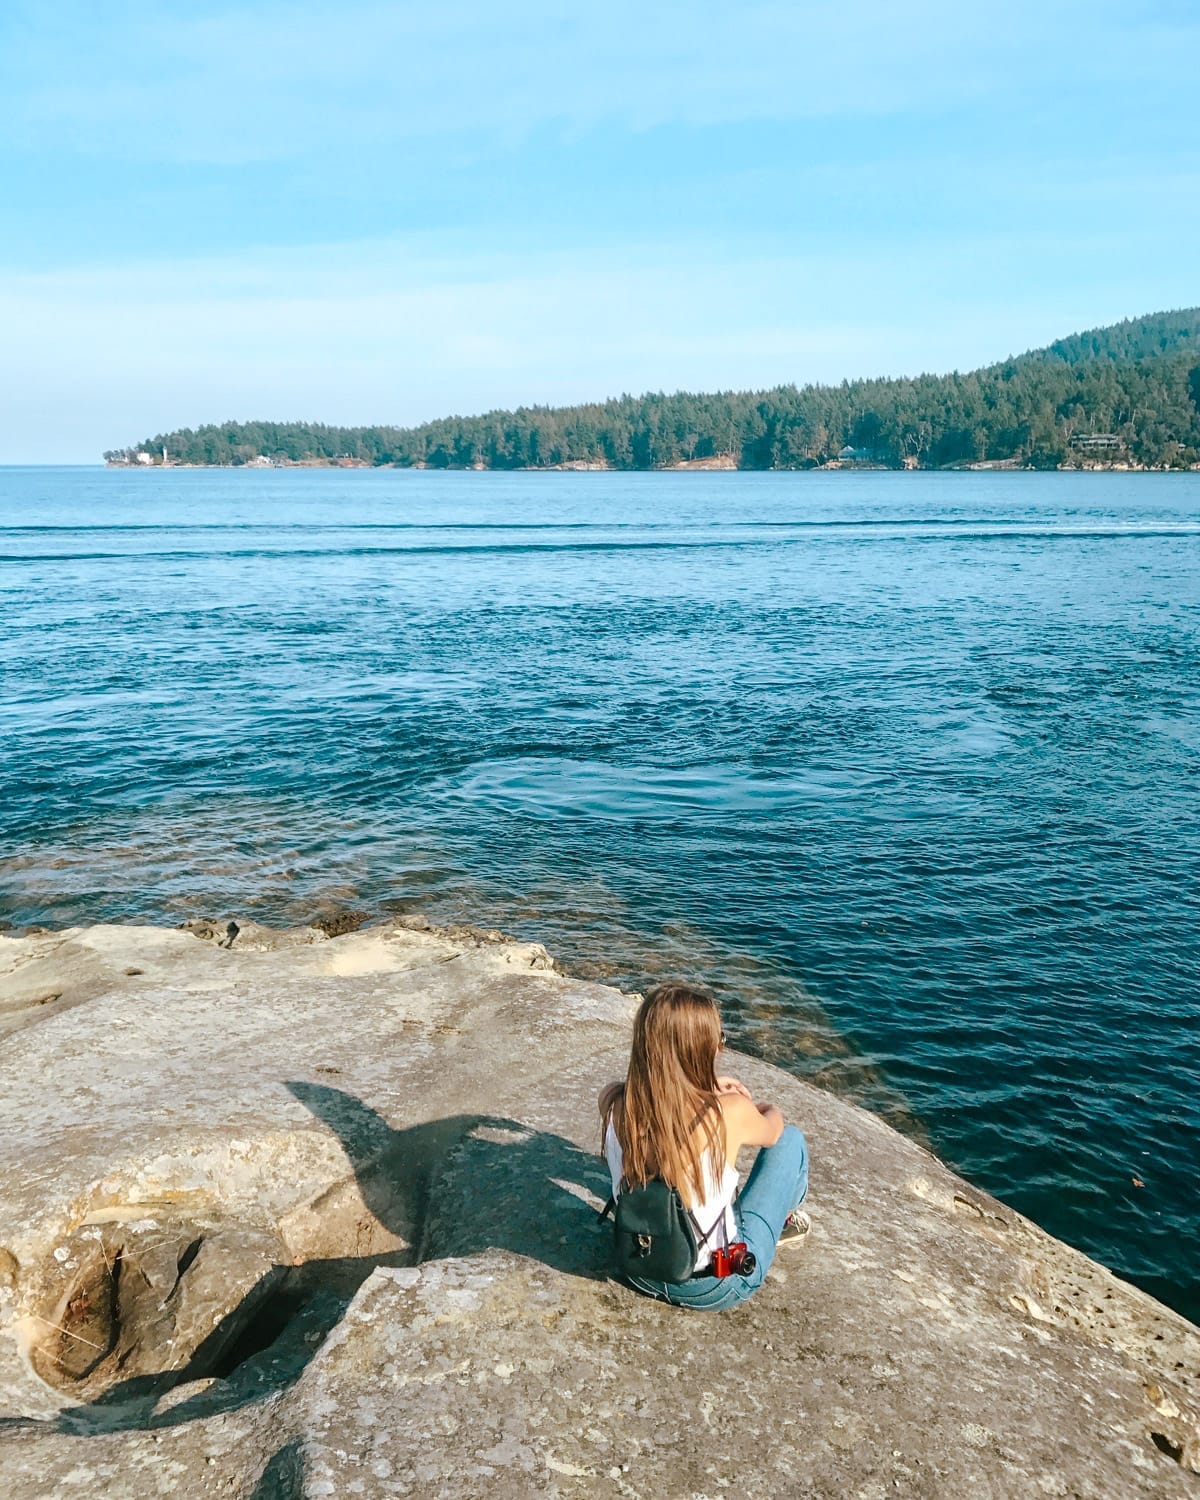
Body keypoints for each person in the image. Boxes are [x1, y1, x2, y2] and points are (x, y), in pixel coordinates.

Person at [599, 981, 810, 1310]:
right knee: (791, 1141)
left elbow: (668, 1100)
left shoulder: (614, 1101)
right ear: (701, 1049)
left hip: (637, 1267)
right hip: (713, 1285)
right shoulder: (727, 1114)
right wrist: (765, 1107)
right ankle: (784, 1221)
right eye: (719, 1040)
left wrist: (706, 1090)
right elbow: (773, 1133)